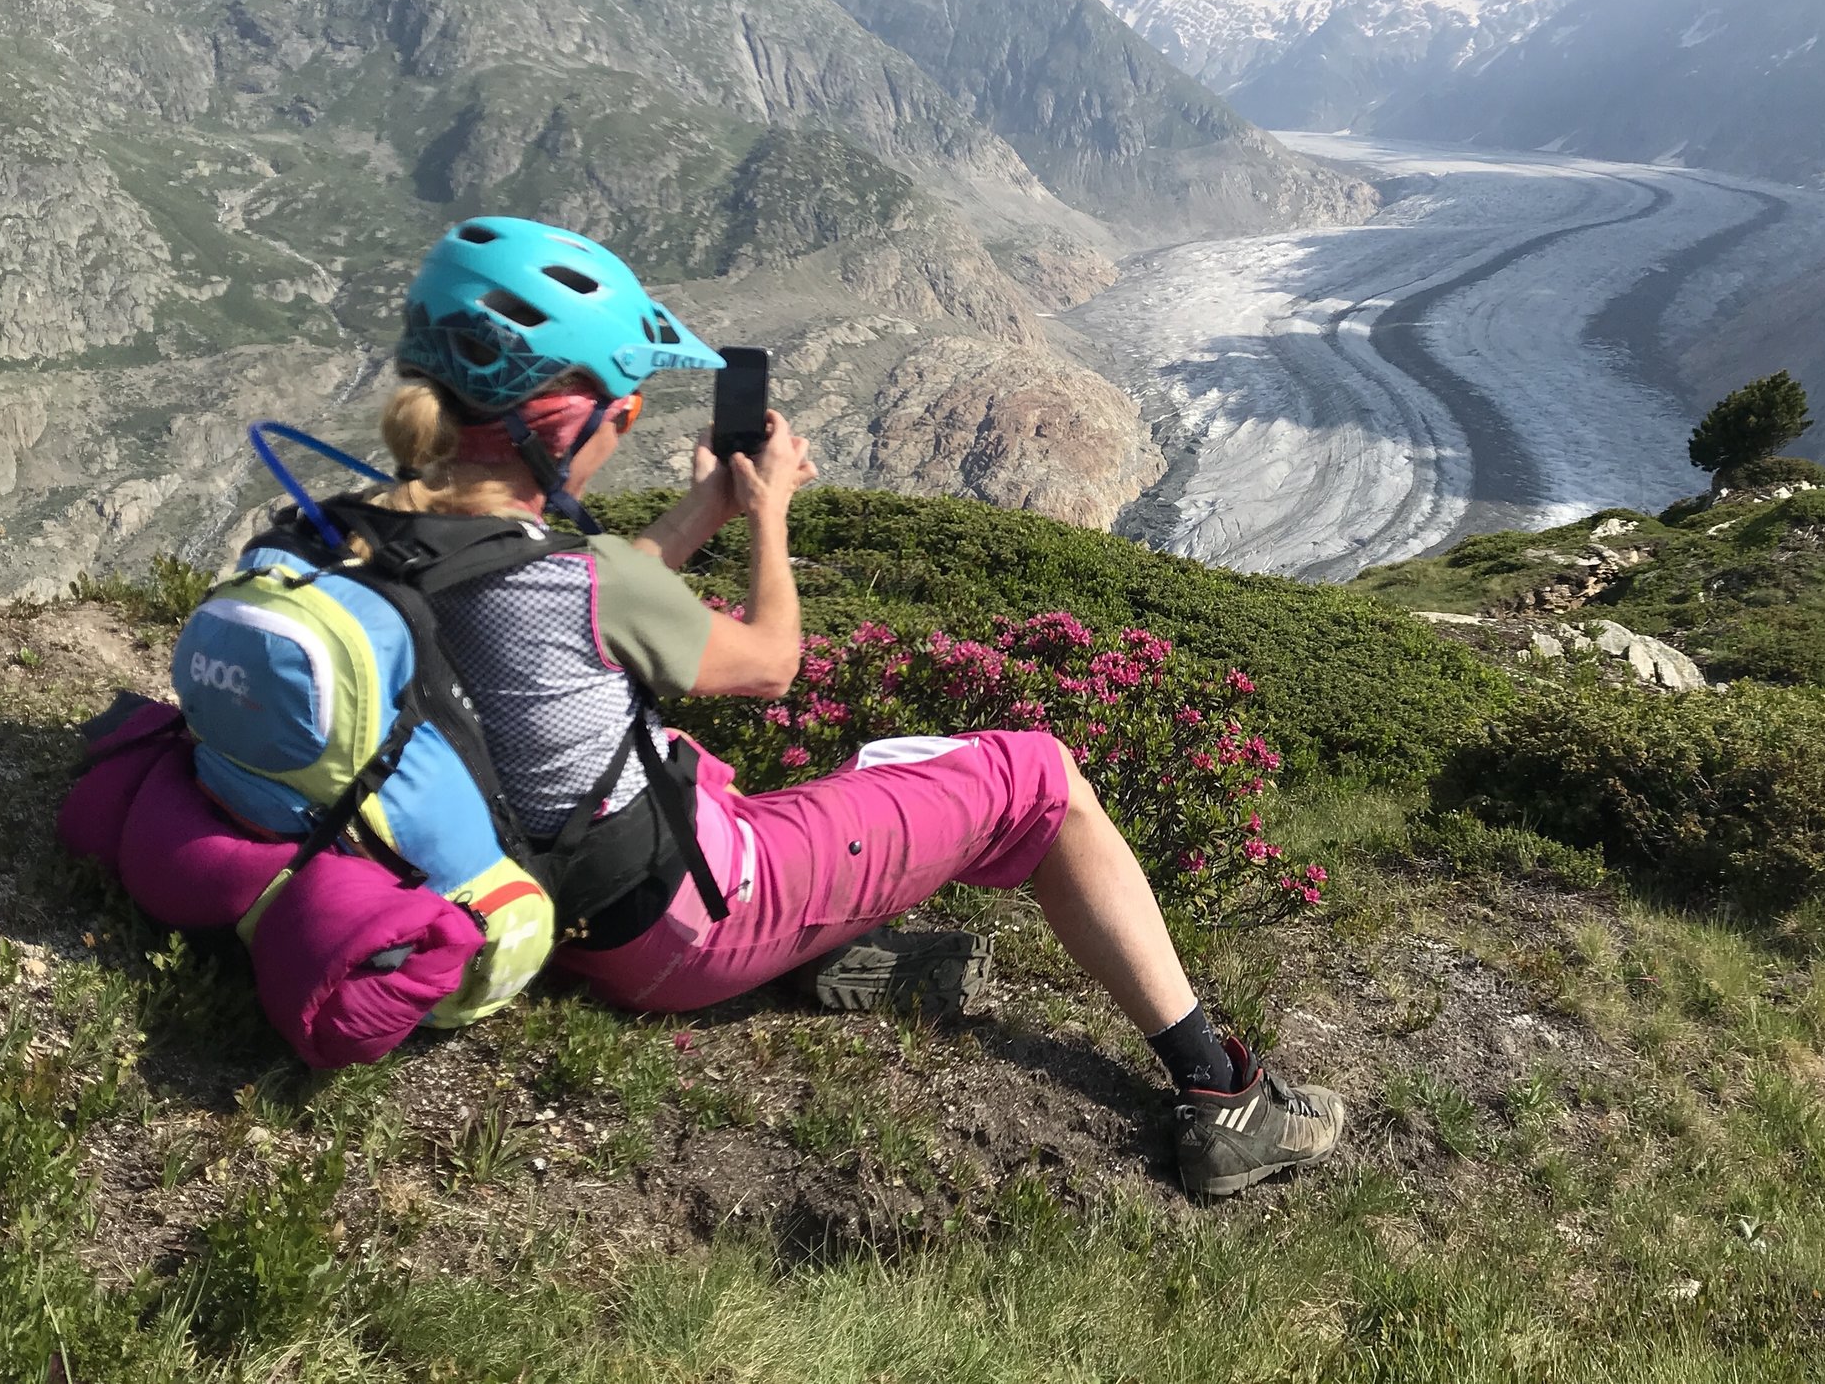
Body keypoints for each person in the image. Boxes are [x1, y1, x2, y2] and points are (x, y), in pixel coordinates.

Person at [376, 217, 1347, 1200]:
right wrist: (768, 518)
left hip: (551, 910)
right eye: (622, 412)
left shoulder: (390, 546)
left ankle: (826, 958)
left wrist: (708, 504)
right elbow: (768, 666)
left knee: (892, 762)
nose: (622, 428)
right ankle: (1222, 1094)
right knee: (1041, 778)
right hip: (683, 930)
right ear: (571, 423)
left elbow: (588, 590)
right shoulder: (578, 580)